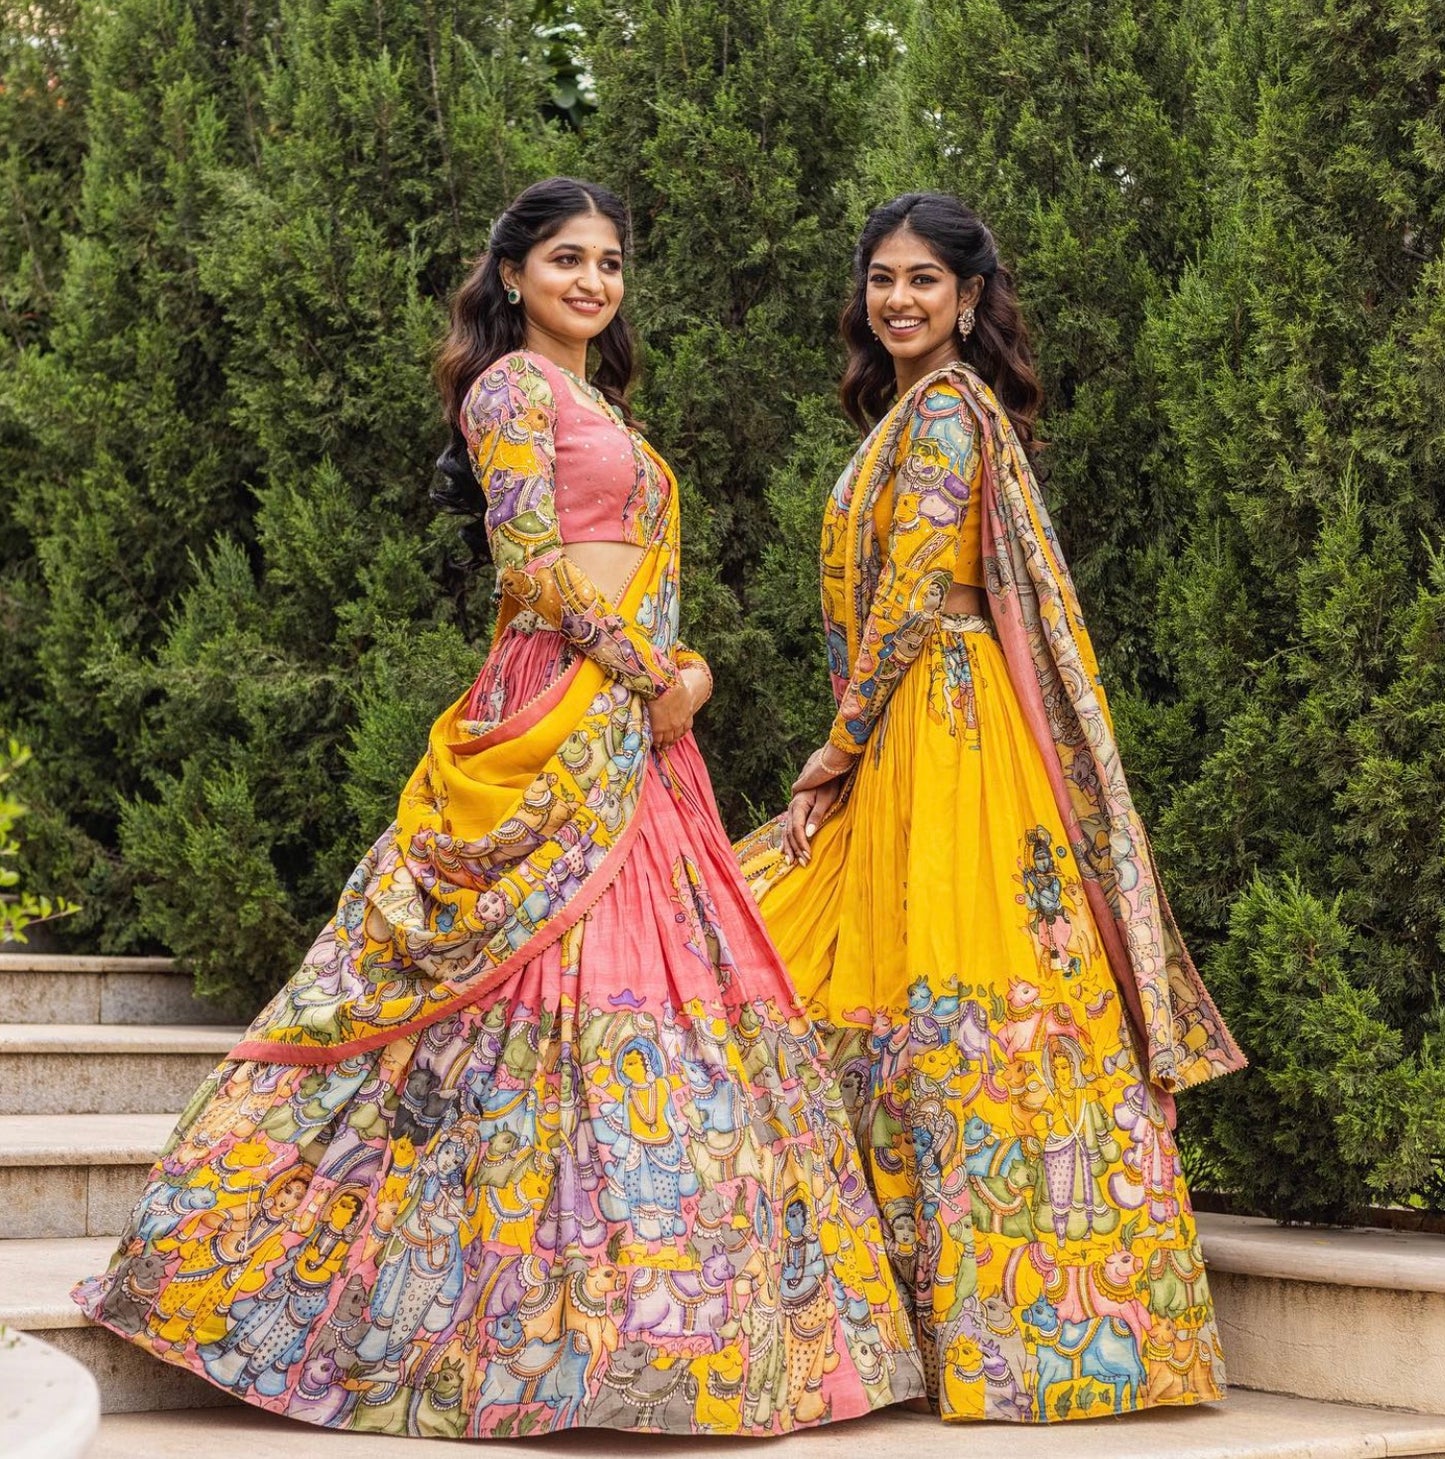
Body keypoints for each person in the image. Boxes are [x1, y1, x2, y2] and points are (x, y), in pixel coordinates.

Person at [74, 176, 925, 1437]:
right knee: (494, 982)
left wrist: (684, 672)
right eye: (567, 259)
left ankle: (672, 1330)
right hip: (555, 714)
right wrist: (648, 674)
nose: (592, 281)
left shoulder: (603, 406)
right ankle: (438, 1315)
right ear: (514, 274)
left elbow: (648, 581)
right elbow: (529, 570)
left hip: (636, 733)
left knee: (683, 996)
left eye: (610, 262)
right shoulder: (509, 391)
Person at [736, 191, 1246, 1423]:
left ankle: (1029, 1335)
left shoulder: (948, 416)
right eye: (880, 280)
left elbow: (912, 602)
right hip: (921, 724)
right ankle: (921, 1323)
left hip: (944, 730)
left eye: (922, 280)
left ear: (968, 299)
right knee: (872, 979)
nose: (897, 299)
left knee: (954, 984)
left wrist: (831, 753)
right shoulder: (914, 414)